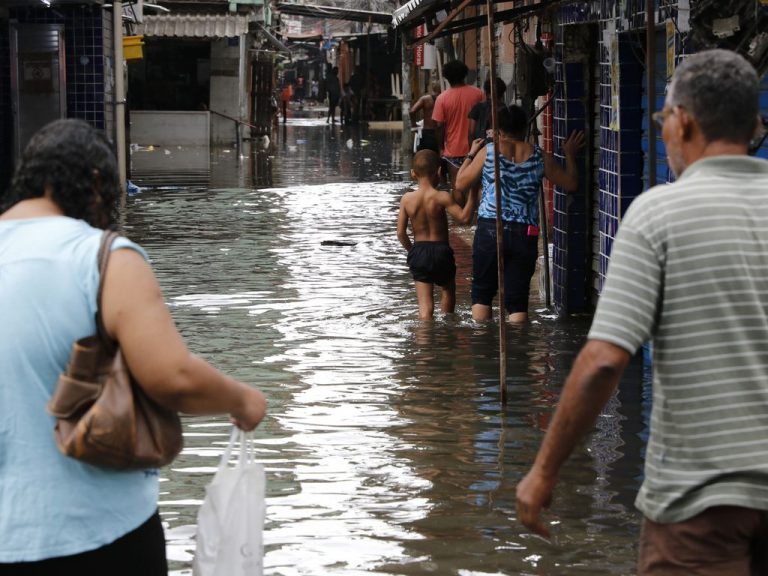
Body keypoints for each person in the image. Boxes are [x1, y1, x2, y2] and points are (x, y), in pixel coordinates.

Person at [516, 49, 768, 575]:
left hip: (701, 502)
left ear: (682, 122)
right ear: (755, 124)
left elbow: (605, 361)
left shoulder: (658, 215)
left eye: (662, 121)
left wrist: (543, 471)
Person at [0, 119, 267, 572]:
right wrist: (242, 398)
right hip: (99, 532)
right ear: (97, 184)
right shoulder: (103, 257)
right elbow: (173, 378)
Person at [455, 105, 584, 323]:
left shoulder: (489, 152)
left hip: (490, 228)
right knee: (517, 299)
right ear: (525, 127)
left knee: (482, 294)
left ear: (498, 129)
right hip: (525, 232)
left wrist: (470, 154)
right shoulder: (540, 156)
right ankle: (518, 350)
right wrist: (570, 155)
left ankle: (483, 347)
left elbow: (460, 183)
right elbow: (571, 184)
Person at [397, 149, 477, 320]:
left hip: (419, 250)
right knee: (448, 291)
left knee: (425, 307)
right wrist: (473, 194)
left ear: (413, 173)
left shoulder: (407, 199)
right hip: (441, 251)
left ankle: (425, 342)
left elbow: (401, 233)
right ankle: (446, 331)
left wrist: (412, 251)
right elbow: (464, 218)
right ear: (439, 172)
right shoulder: (442, 196)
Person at [431, 60, 484, 196]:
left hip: (453, 152)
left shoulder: (442, 99)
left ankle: (459, 217)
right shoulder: (478, 94)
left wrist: (441, 148)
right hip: (476, 148)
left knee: (457, 186)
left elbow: (439, 127)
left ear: (446, 77)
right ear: (465, 74)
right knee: (477, 186)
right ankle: (476, 215)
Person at [468, 76, 507, 141]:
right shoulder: (505, 110)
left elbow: (471, 133)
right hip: (499, 147)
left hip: (481, 147)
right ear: (502, 93)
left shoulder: (477, 108)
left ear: (486, 92)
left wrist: (472, 150)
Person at [410, 80, 442, 154]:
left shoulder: (425, 99)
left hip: (427, 133)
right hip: (440, 133)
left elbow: (412, 111)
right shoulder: (444, 98)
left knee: (425, 156)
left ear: (432, 88)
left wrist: (414, 126)